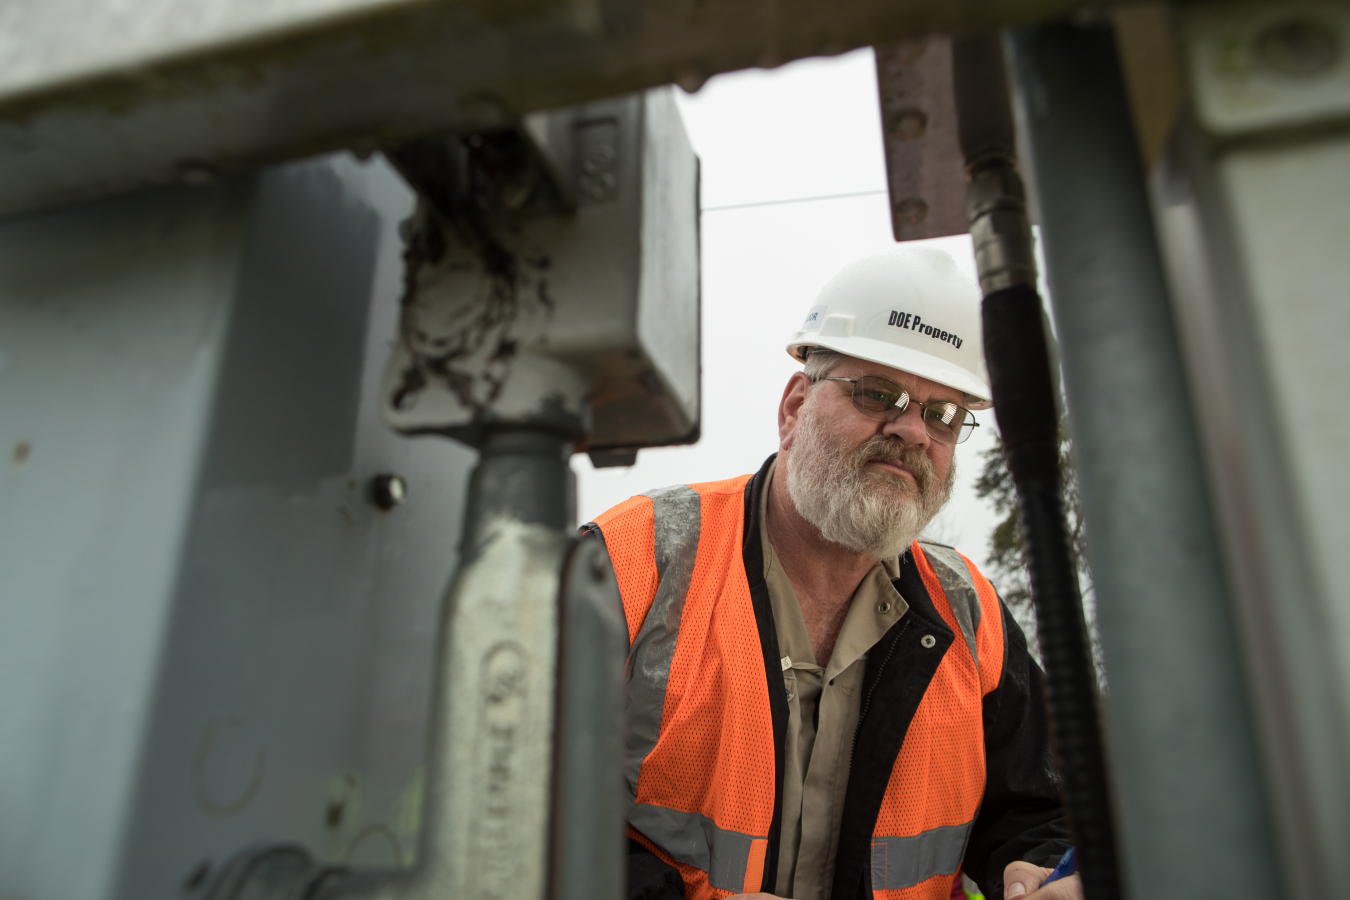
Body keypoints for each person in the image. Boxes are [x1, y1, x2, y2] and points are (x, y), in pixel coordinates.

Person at [582, 247, 1081, 900]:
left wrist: (1038, 865)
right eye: (880, 393)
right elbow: (504, 797)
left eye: (944, 414)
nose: (911, 431)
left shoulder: (971, 616)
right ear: (793, 407)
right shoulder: (636, 561)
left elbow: (1042, 805)